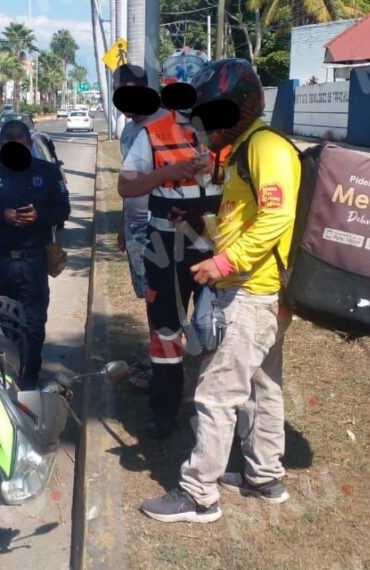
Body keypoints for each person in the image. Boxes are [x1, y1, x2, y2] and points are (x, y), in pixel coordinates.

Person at [141, 59, 301, 523]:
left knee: (216, 395)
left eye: (212, 113)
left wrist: (224, 262)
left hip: (251, 293)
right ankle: (264, 476)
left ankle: (198, 495)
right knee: (263, 388)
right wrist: (196, 230)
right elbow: (238, 223)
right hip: (260, 292)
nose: (205, 125)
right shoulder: (242, 153)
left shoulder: (265, 148)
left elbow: (277, 216)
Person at [116, 70, 218, 440]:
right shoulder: (153, 134)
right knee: (165, 333)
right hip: (163, 249)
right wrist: (169, 172)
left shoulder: (225, 135)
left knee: (214, 334)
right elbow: (125, 186)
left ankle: (211, 417)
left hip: (212, 250)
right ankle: (163, 411)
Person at [0, 120, 71, 389]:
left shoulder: (47, 172)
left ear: (29, 142)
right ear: (1, 145)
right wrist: (1, 215)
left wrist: (40, 216)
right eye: (8, 139)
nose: (14, 143)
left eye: (20, 138)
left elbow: (63, 210)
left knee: (35, 321)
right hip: (1, 259)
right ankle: (14, 364)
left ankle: (29, 374)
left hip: (33, 259)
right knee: (6, 319)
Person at [112, 63, 166, 391]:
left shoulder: (163, 125)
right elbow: (127, 181)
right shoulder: (129, 130)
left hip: (159, 227)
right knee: (149, 298)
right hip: (135, 227)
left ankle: (163, 367)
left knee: (160, 299)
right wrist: (123, 225)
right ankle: (156, 358)